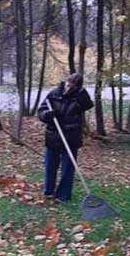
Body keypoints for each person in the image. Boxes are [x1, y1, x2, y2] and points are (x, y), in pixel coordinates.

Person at [38, 73, 93, 202]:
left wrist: (80, 93)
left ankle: (63, 195)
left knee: (68, 168)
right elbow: (41, 111)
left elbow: (88, 105)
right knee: (50, 165)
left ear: (77, 87)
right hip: (53, 134)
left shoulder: (79, 97)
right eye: (68, 84)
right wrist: (47, 114)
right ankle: (48, 191)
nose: (68, 88)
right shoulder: (54, 94)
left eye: (72, 87)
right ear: (65, 82)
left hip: (71, 136)